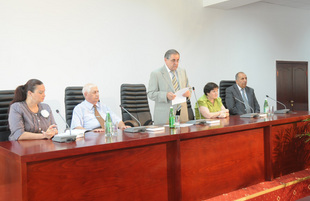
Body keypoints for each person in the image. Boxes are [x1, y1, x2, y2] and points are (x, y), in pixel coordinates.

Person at [148, 49, 191, 125]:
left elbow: (189, 88)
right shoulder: (156, 74)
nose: (176, 63)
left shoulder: (182, 71)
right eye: (173, 60)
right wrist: (165, 95)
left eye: (178, 60)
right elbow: (151, 94)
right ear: (165, 60)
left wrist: (188, 93)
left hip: (182, 115)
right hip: (165, 116)